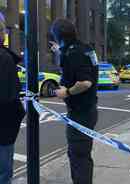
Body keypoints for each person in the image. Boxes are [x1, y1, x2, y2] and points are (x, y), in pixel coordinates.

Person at [50, 19, 98, 184]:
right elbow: (73, 64)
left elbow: (85, 82)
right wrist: (59, 52)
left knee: (78, 157)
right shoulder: (86, 49)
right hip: (89, 110)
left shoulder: (74, 53)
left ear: (58, 36)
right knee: (81, 155)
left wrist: (66, 92)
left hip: (81, 114)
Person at [0, 19, 25, 184]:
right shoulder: (4, 59)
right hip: (3, 127)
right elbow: (8, 97)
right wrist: (20, 111)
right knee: (3, 170)